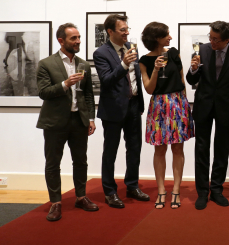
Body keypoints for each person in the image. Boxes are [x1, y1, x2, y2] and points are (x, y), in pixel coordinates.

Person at [36, 23, 98, 221]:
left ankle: (81, 197)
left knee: (81, 161)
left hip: (78, 121)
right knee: (53, 163)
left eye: (79, 37)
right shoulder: (46, 64)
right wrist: (65, 84)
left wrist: (90, 118)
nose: (78, 41)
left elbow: (88, 94)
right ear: (61, 41)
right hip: (54, 122)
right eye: (74, 38)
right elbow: (43, 92)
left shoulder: (83, 64)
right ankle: (55, 202)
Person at [186, 21, 229, 210]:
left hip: (226, 109)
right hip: (203, 107)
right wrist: (193, 69)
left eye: (216, 40)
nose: (212, 42)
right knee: (201, 150)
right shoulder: (201, 50)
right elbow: (191, 80)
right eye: (210, 37)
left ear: (226, 40)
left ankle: (217, 189)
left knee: (221, 149)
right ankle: (202, 192)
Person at [93, 14, 149, 208]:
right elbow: (107, 81)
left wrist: (140, 102)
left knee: (135, 149)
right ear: (110, 32)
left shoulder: (131, 48)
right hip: (113, 109)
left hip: (133, 105)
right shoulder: (101, 53)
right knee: (110, 151)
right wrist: (124, 64)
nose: (126, 33)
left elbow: (136, 79)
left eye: (127, 29)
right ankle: (109, 192)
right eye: (122, 30)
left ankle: (132, 186)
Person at [139, 22, 195, 209]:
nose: (170, 37)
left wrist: (185, 105)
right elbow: (149, 89)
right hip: (158, 105)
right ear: (156, 38)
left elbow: (181, 80)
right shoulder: (144, 61)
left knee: (178, 149)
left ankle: (176, 190)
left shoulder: (173, 53)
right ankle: (162, 190)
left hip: (178, 102)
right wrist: (155, 69)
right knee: (159, 149)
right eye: (166, 35)